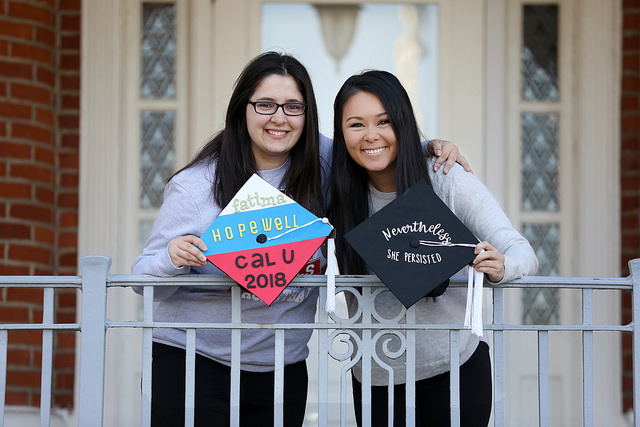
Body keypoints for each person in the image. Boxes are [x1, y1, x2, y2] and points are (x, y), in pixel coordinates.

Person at [132, 52, 468, 426]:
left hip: (282, 368)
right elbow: (143, 281)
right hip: (192, 362)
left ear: (307, 115)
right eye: (265, 105)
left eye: (294, 107)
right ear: (241, 109)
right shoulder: (196, 186)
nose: (279, 118)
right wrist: (172, 259)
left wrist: (432, 147)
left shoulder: (322, 163)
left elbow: (372, 148)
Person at [328, 70, 538, 427]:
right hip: (378, 380)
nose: (371, 135)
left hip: (456, 370)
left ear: (403, 125)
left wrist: (503, 267)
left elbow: (521, 250)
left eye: (384, 121)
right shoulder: (335, 191)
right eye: (356, 125)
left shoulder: (444, 177)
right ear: (341, 133)